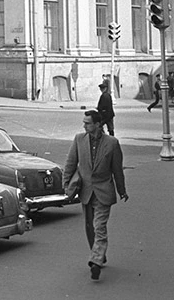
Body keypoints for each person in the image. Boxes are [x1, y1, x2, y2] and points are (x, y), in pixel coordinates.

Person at [63, 110, 128, 281]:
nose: (84, 126)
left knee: (99, 226)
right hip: (85, 190)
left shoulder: (112, 143)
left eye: (88, 123)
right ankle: (98, 253)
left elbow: (117, 170)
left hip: (103, 191)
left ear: (98, 124)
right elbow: (70, 164)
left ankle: (96, 261)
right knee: (89, 227)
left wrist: (122, 190)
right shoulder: (79, 139)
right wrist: (66, 185)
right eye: (84, 123)